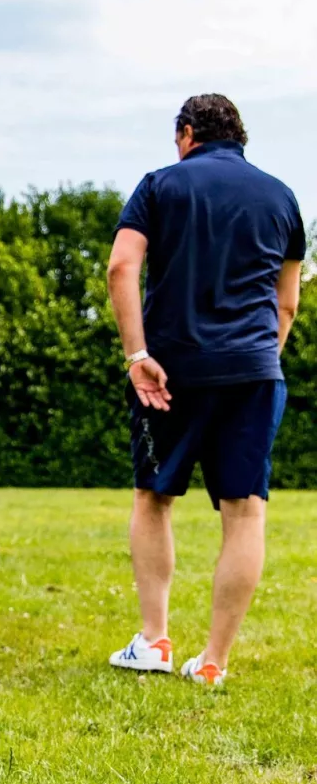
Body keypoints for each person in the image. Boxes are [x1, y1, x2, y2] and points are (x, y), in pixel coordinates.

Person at [107, 93, 304, 686]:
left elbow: (122, 267)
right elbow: (287, 302)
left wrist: (137, 356)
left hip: (171, 374)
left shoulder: (159, 185)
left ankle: (156, 641)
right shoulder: (282, 197)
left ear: (187, 132)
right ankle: (213, 662)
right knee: (245, 515)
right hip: (253, 372)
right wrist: (258, 362)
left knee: (153, 497)